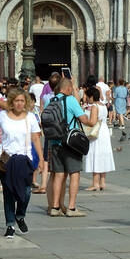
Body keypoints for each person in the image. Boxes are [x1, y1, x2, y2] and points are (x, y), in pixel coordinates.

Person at [0, 88, 44, 238]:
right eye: (16, 101)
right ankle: (10, 224)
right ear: (11, 102)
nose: (19, 104)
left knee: (26, 191)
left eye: (22, 101)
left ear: (26, 102)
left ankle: (20, 215)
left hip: (24, 158)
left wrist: (41, 158)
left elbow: (36, 138)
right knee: (9, 192)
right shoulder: (2, 116)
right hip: (5, 158)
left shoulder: (30, 118)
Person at [44, 77, 98, 217]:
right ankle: (72, 208)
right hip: (70, 142)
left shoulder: (50, 101)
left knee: (58, 174)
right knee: (74, 174)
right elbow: (86, 121)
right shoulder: (71, 100)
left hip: (55, 142)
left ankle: (55, 207)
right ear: (68, 89)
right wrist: (93, 115)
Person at [82, 85, 115, 191]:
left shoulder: (95, 107)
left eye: (87, 97)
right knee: (103, 155)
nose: (86, 99)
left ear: (91, 97)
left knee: (96, 155)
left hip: (97, 133)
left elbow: (92, 122)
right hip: (104, 131)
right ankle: (102, 182)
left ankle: (95, 183)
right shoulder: (103, 105)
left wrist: (83, 120)